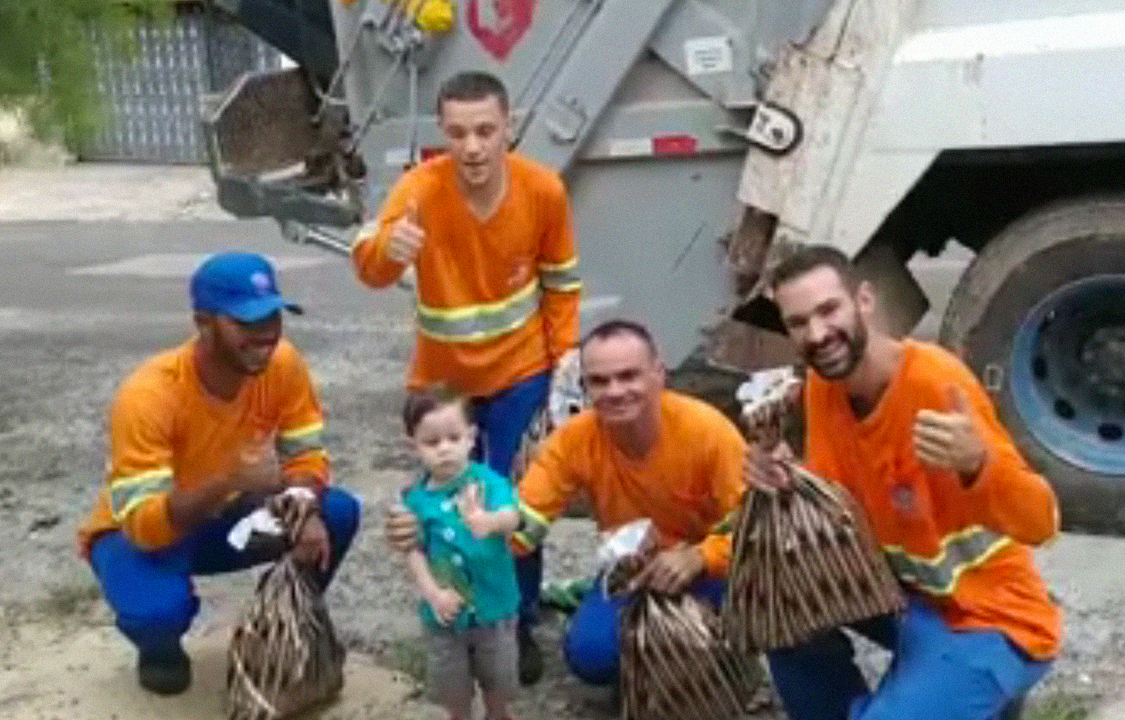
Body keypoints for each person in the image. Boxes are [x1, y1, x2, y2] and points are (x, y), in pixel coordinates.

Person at [745, 245, 1061, 720]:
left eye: (829, 310)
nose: (817, 334)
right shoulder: (822, 388)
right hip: (903, 599)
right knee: (776, 604)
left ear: (865, 300)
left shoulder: (934, 384)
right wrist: (788, 483)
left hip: (992, 618)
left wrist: (979, 464)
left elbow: (1043, 522)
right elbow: (844, 503)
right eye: (797, 322)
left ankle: (971, 688)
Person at [352, 70, 580, 682]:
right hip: (443, 385)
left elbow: (561, 284)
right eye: (457, 133)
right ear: (441, 135)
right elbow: (368, 267)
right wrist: (387, 252)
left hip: (521, 373)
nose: (472, 147)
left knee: (511, 496)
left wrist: (563, 365)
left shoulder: (543, 191)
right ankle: (456, 613)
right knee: (442, 503)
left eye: (485, 131)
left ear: (510, 127)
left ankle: (516, 620)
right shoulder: (419, 189)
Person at [387, 319, 748, 686]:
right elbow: (523, 519)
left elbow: (755, 529)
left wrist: (700, 557)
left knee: (721, 640)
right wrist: (436, 523)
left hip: (710, 571)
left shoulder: (709, 433)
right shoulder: (574, 440)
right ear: (585, 386)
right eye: (600, 381)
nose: (615, 391)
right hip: (633, 571)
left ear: (659, 373)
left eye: (629, 376)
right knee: (591, 657)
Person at [77, 252, 361, 696]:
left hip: (228, 517)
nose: (266, 334)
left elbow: (306, 455)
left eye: (273, 316)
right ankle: (159, 647)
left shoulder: (282, 364)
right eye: (246, 322)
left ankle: (290, 625)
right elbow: (145, 525)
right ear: (203, 322)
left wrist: (303, 509)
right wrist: (229, 480)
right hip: (140, 530)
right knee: (157, 612)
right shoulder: (148, 395)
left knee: (338, 512)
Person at [400, 386, 522, 720]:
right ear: (414, 446)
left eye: (454, 438)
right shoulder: (415, 500)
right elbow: (414, 551)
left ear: (471, 437)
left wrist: (489, 521)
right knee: (453, 689)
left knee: (498, 682)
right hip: (444, 615)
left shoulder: (489, 483)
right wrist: (432, 594)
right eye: (432, 442)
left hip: (494, 607)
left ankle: (498, 715)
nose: (445, 450)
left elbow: (514, 517)